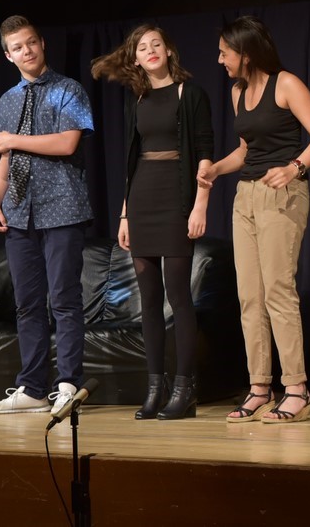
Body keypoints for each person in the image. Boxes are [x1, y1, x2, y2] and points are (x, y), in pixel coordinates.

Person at [197, 15, 310, 424]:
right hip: (246, 196)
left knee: (278, 290)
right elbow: (245, 151)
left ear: (246, 53)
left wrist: (294, 168)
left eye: (225, 53)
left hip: (283, 194)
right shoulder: (238, 93)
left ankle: (296, 388)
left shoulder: (286, 84)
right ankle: (259, 387)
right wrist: (217, 170)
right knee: (249, 297)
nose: (220, 60)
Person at [91, 24, 215, 420]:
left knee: (178, 296)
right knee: (147, 300)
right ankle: (154, 388)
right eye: (143, 47)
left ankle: (185, 389)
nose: (150, 51)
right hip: (142, 199)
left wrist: (200, 206)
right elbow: (131, 161)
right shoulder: (138, 99)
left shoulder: (189, 93)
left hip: (177, 199)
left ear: (168, 50)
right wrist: (124, 213)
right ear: (137, 58)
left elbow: (206, 154)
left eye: (156, 44)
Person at [0, 15, 95, 415]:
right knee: (27, 303)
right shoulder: (6, 100)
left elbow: (67, 143)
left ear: (42, 43)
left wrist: (13, 139)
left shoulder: (69, 89)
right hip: (18, 210)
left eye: (31, 43)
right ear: (8, 55)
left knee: (64, 299)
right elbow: (5, 157)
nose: (26, 51)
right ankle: (30, 388)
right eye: (17, 47)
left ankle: (68, 384)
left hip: (62, 205)